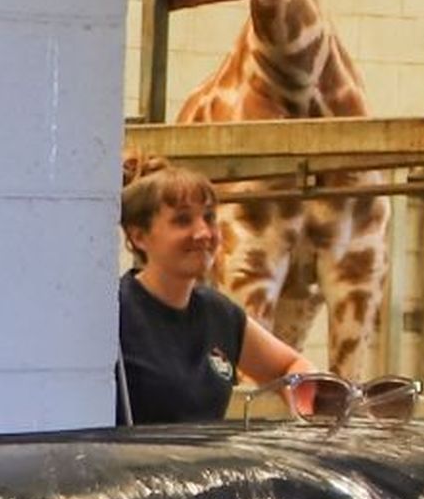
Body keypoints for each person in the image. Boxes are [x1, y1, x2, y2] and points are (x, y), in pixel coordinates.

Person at [117, 166, 300, 423]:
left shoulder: (220, 314)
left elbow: (290, 368)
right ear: (139, 237)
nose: (203, 233)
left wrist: (312, 409)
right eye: (182, 220)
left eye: (209, 217)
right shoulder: (116, 312)